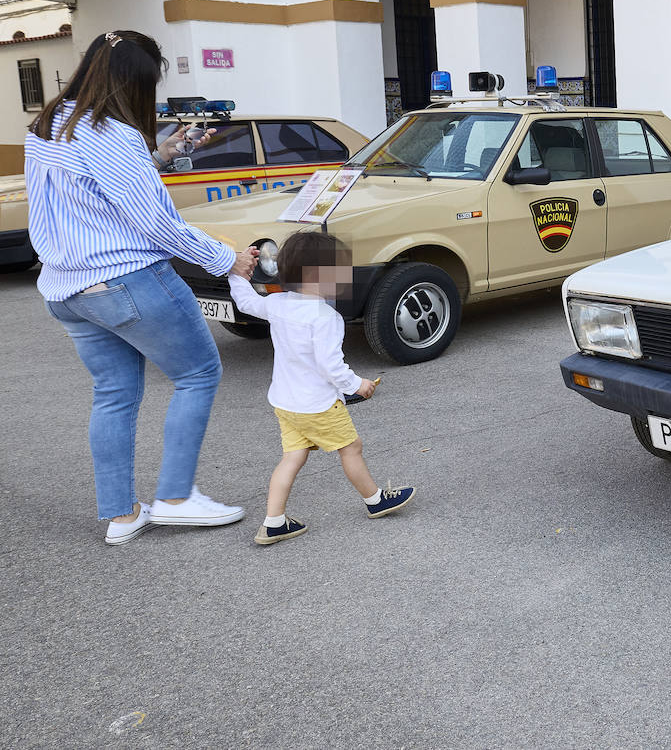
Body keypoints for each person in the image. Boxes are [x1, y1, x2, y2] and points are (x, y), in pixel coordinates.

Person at [26, 29, 258, 544]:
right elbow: (155, 222)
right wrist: (228, 260)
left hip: (66, 289)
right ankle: (176, 498)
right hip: (126, 280)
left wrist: (161, 154)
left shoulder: (49, 125)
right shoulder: (114, 135)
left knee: (113, 394)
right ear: (135, 82)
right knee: (197, 372)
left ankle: (122, 514)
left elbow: (93, 191)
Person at [228, 230, 414, 545]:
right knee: (351, 448)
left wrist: (236, 272)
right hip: (318, 405)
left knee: (292, 457)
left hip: (286, 403)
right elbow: (331, 366)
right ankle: (375, 500)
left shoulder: (277, 303)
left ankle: (273, 522)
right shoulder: (325, 317)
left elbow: (245, 301)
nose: (344, 275)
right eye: (338, 269)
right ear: (317, 275)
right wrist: (359, 385)